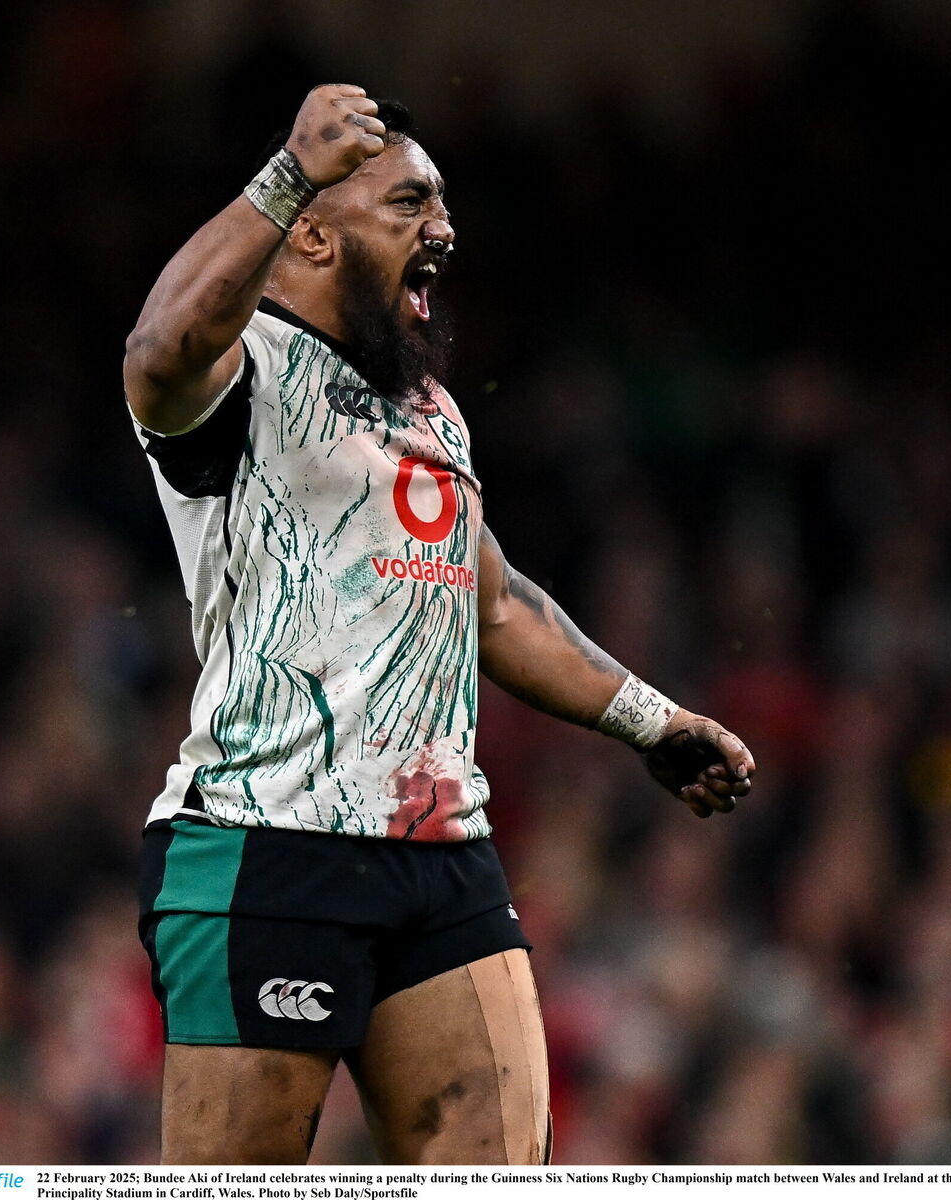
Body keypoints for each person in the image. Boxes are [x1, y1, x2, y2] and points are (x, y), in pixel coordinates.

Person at [124, 83, 755, 1167]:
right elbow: (156, 346)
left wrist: (654, 723)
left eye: (443, 205)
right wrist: (284, 172)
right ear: (313, 229)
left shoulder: (429, 412)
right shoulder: (240, 380)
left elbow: (495, 604)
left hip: (438, 856)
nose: (443, 231)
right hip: (267, 851)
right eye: (410, 203)